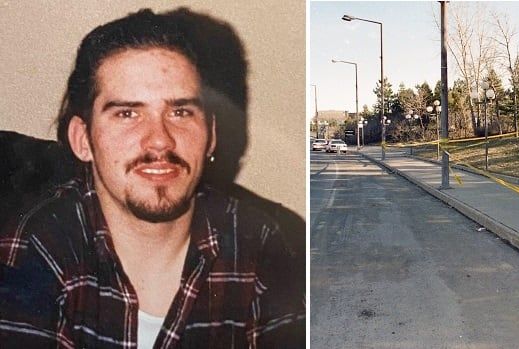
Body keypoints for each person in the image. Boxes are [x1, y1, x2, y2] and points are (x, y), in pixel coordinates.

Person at [0, 8, 304, 348]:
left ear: (211, 137)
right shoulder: (37, 248)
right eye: (128, 113)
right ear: (82, 140)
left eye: (180, 112)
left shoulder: (259, 244)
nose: (160, 139)